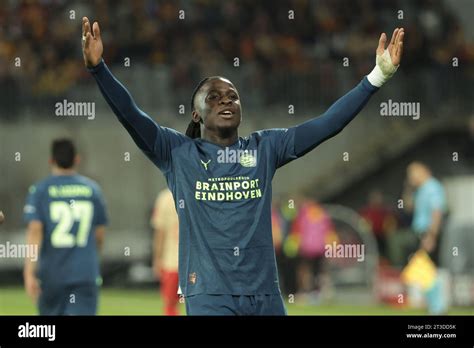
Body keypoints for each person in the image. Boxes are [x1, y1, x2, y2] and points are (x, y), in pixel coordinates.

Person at [81, 17, 404, 315]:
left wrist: (378, 76)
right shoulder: (176, 152)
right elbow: (131, 115)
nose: (226, 100)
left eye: (232, 96)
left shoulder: (265, 148)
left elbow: (327, 124)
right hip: (209, 295)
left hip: (265, 296)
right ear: (196, 114)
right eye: (215, 97)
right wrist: (99, 70)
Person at [23, 139, 108, 315]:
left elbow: (35, 231)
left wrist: (29, 272)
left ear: (51, 160)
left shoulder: (40, 191)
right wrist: (91, 259)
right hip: (85, 273)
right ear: (77, 159)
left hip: (52, 275)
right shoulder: (92, 190)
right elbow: (99, 235)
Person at [403, 161, 448, 313]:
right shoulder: (420, 189)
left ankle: (437, 306)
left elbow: (437, 212)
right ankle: (434, 304)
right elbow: (408, 206)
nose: (412, 177)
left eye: (414, 173)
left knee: (427, 268)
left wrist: (431, 236)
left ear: (425, 171)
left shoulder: (432, 187)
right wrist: (408, 188)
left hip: (428, 233)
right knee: (423, 268)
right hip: (420, 233)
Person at [151, 188, 180, 316]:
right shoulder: (199, 193)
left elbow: (160, 233)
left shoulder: (164, 198)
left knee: (170, 306)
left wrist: (157, 259)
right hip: (195, 264)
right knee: (199, 303)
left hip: (171, 262)